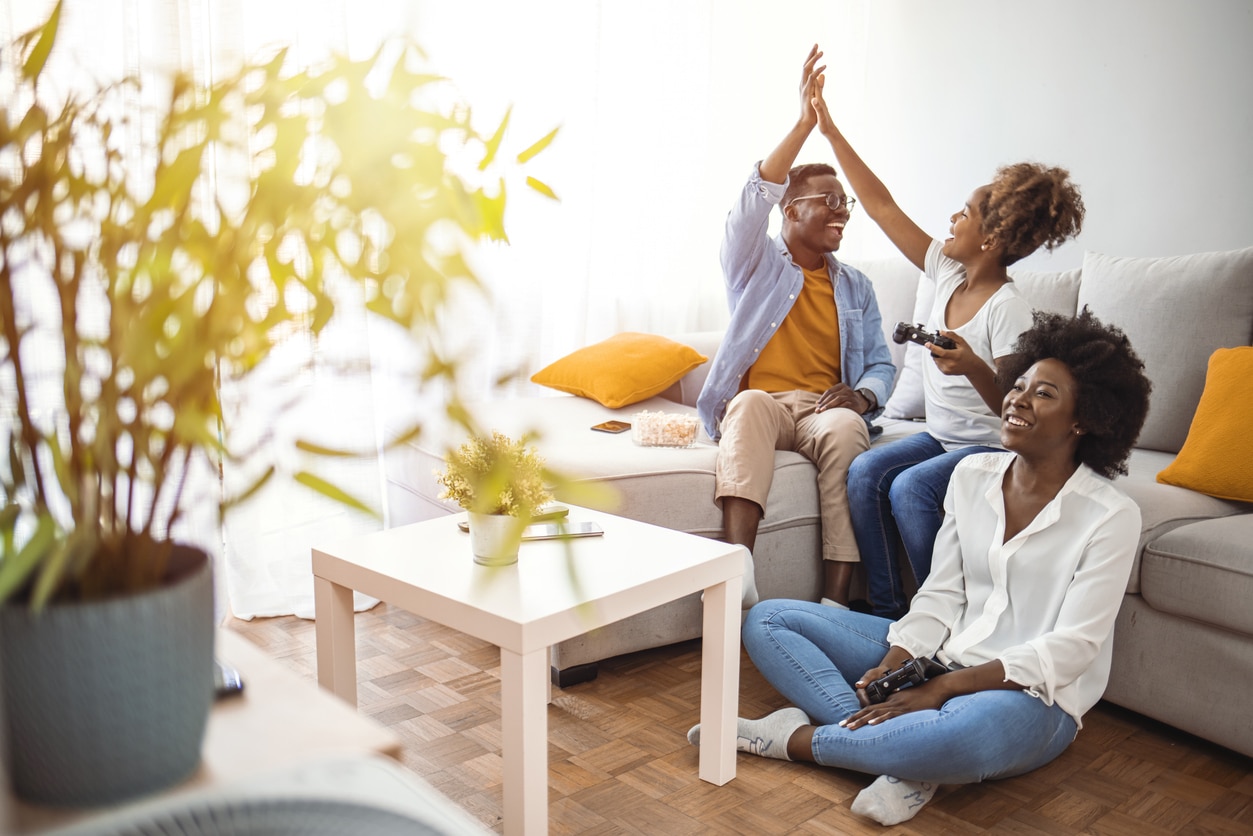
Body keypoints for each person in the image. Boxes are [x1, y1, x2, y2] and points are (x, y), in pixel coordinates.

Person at [687, 308, 1152, 826]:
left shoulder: (1111, 515)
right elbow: (941, 594)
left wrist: (944, 688)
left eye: (1044, 394)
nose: (1017, 398)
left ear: (1083, 419)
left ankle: (791, 739)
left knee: (965, 737)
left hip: (1030, 696)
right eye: (1018, 385)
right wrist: (896, 663)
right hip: (936, 655)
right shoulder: (973, 475)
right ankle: (907, 758)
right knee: (767, 620)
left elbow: (1072, 650)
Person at [804, 60, 1087, 618]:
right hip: (940, 437)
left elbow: (1015, 408)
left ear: (993, 237)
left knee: (911, 490)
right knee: (865, 472)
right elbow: (882, 207)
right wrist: (829, 129)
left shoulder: (1009, 309)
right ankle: (886, 611)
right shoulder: (946, 272)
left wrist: (974, 366)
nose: (953, 217)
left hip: (987, 448)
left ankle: (944, 615)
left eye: (967, 212)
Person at [696, 45, 895, 609]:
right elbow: (751, 199)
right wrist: (806, 123)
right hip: (766, 403)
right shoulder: (755, 264)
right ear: (790, 209)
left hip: (821, 408)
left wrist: (862, 395)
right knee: (750, 405)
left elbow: (882, 361)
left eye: (846, 202)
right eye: (828, 200)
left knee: (845, 432)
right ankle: (739, 580)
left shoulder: (856, 286)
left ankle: (835, 604)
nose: (842, 211)